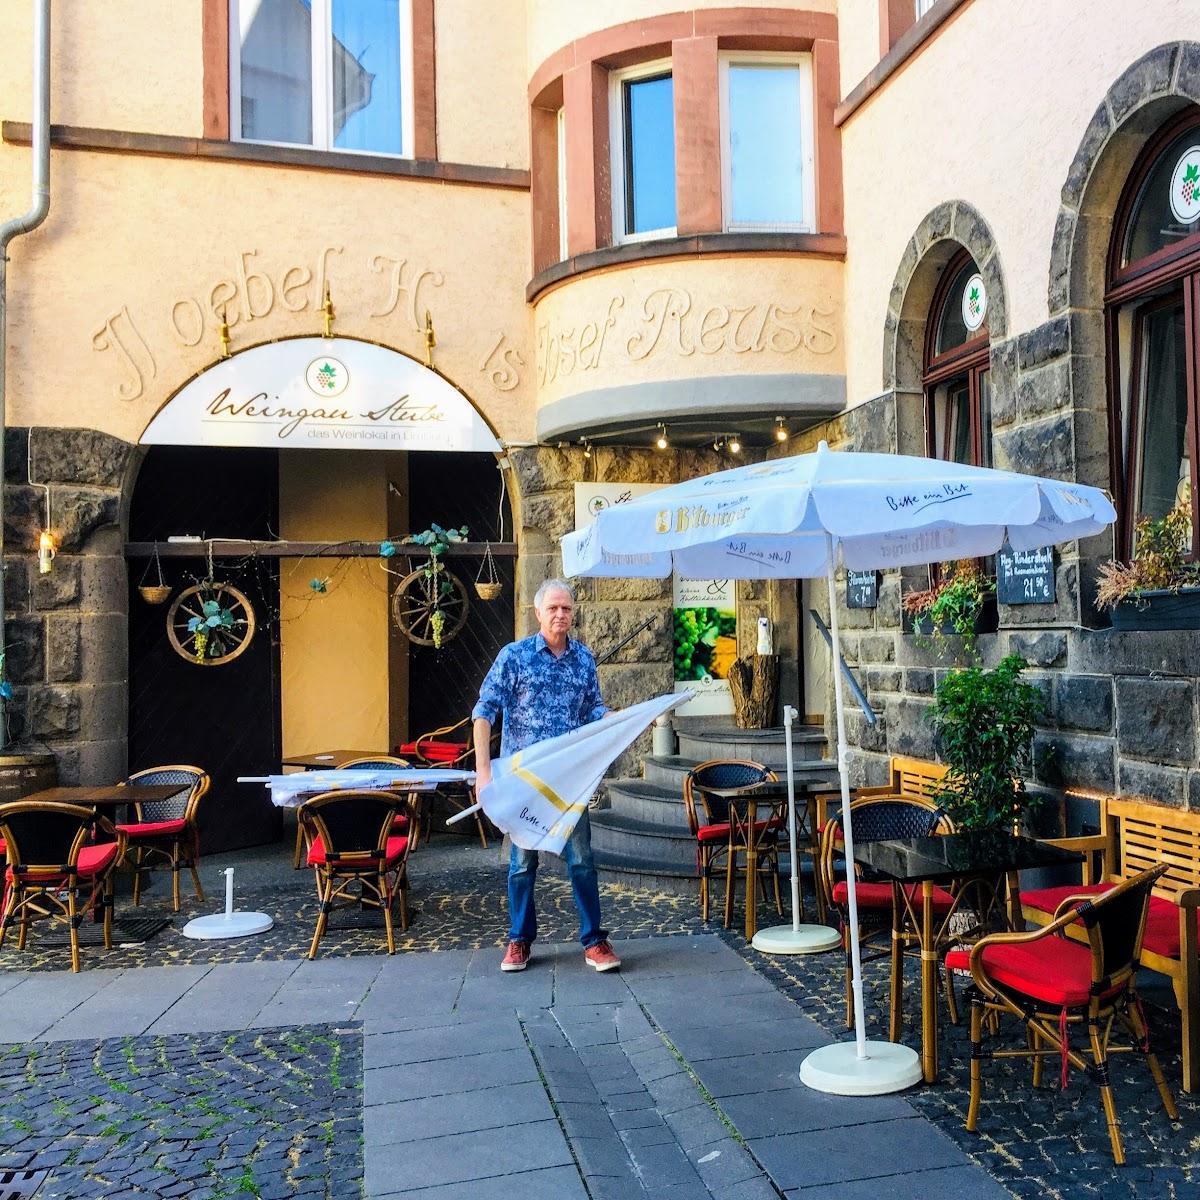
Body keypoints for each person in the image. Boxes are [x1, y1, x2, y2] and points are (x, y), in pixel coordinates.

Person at [472, 578, 621, 974]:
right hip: (524, 783)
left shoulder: (583, 658)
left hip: (569, 782)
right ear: (538, 612)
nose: (560, 614)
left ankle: (594, 941)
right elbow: (484, 712)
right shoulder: (515, 657)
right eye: (553, 608)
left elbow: (593, 709)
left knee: (582, 859)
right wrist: (483, 772)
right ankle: (519, 939)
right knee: (522, 862)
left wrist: (619, 720)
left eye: (566, 608)